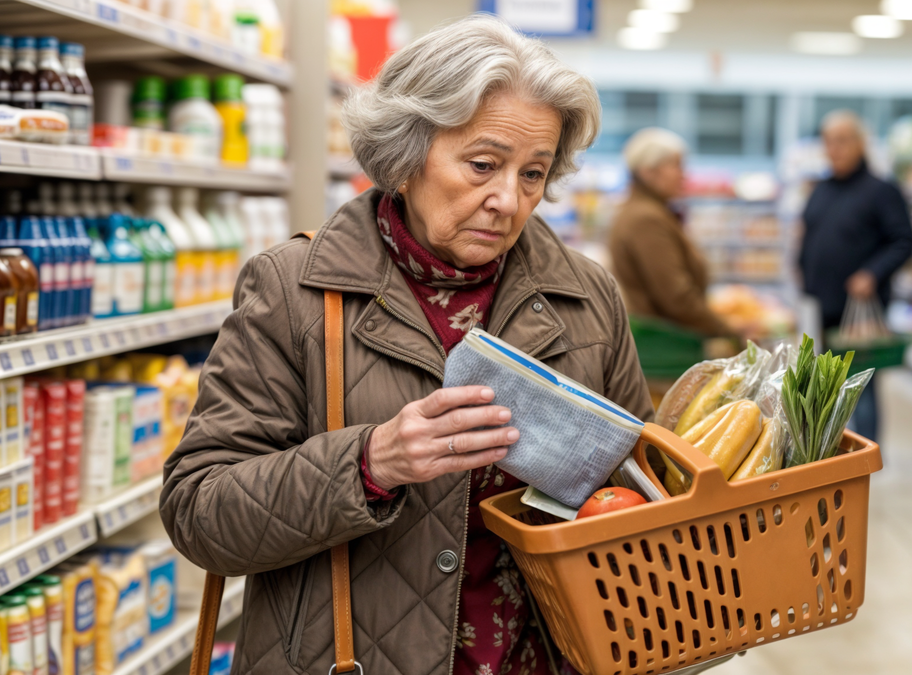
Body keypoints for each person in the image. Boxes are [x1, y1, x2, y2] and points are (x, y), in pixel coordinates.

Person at [160, 17, 652, 675]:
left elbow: (642, 504)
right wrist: (369, 462)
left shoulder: (588, 299)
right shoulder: (295, 291)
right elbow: (199, 511)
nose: (507, 199)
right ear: (409, 148)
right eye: (483, 164)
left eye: (533, 174)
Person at [799, 110, 912, 442]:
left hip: (858, 310)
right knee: (826, 386)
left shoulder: (881, 191)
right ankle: (833, 450)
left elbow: (903, 241)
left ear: (861, 144)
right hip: (820, 304)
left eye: (842, 140)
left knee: (859, 385)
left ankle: (867, 454)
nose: (834, 148)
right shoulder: (821, 189)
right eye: (828, 141)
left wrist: (871, 272)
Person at [608, 127, 735, 336]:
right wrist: (728, 331)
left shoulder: (646, 211)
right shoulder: (646, 219)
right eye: (677, 166)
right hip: (665, 341)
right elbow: (676, 298)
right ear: (648, 172)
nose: (684, 175)